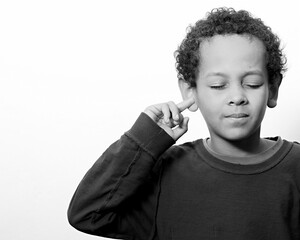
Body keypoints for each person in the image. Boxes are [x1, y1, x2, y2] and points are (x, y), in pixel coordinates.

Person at [68, 7, 300, 240]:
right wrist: (144, 139)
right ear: (190, 91)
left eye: (252, 83)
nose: (237, 96)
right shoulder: (166, 173)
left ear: (273, 88)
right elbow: (88, 214)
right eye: (219, 85)